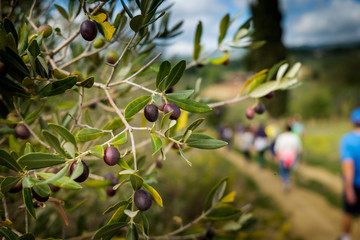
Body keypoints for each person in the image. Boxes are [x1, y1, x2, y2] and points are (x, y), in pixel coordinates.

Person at [339, 107, 360, 240]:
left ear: (352, 122)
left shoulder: (347, 140)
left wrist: (349, 189)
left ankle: (346, 237)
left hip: (355, 184)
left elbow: (348, 167)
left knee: (349, 213)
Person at [274, 124, 302, 192]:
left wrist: (276, 155)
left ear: (285, 129)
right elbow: (299, 147)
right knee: (288, 170)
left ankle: (285, 183)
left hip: (282, 157)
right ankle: (288, 182)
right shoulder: (295, 137)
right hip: (292, 156)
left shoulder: (281, 136)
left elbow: (277, 147)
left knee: (283, 171)